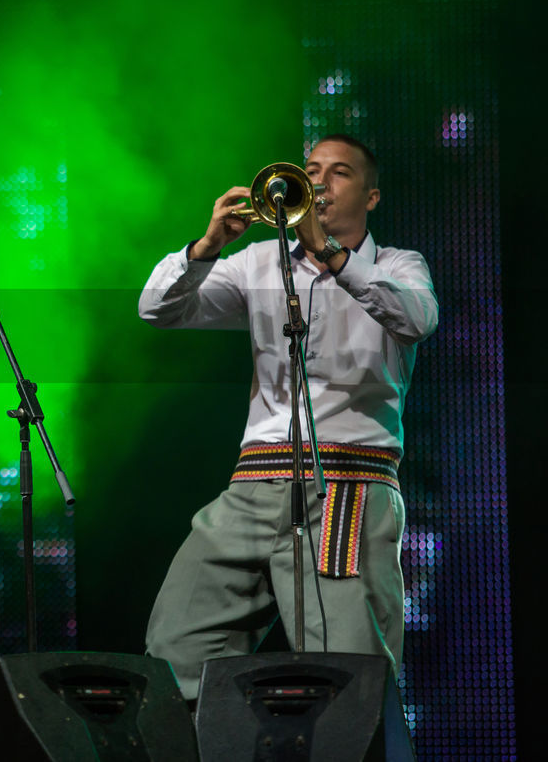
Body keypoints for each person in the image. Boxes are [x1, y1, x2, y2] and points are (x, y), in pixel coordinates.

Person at [138, 134, 438, 702]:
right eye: (312, 170)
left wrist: (327, 252)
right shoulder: (258, 261)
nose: (320, 182)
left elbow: (416, 318)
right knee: (178, 647)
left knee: (351, 675)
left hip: (348, 485)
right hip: (253, 485)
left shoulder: (398, 265)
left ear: (371, 197)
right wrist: (207, 245)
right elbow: (157, 309)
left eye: (340, 173)